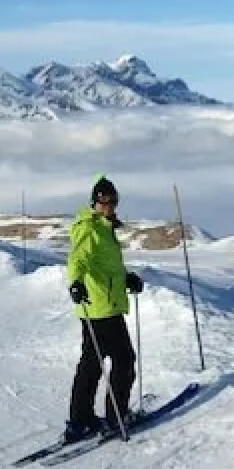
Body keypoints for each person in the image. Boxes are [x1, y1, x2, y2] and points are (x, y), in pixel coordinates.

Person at [64, 175, 145, 442]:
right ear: (95, 201)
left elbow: (106, 267)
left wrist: (127, 278)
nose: (108, 205)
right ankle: (115, 417)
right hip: (99, 306)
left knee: (92, 364)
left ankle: (81, 420)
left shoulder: (104, 228)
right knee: (123, 361)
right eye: (103, 200)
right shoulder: (90, 227)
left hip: (105, 304)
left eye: (112, 201)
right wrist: (75, 283)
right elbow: (78, 258)